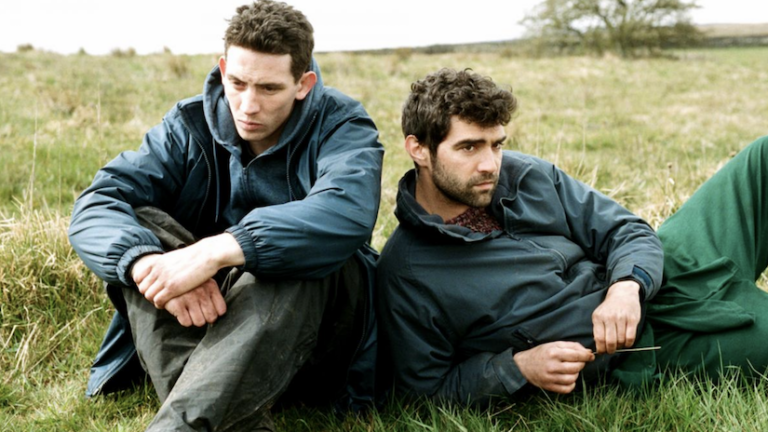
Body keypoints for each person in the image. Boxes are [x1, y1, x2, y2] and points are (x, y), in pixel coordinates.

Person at [69, 1, 383, 430]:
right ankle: (227, 410)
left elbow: (346, 212)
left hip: (314, 335)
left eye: (269, 89)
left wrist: (219, 251)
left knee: (297, 253)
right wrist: (151, 268)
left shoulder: (342, 124)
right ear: (221, 69)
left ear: (303, 83)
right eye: (236, 82)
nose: (248, 105)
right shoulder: (187, 123)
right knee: (139, 230)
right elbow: (97, 201)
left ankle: (185, 421)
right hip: (204, 316)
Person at [377, 67, 768, 406]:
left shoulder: (524, 174)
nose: (489, 164)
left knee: (763, 156)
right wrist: (516, 368)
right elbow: (424, 390)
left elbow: (626, 229)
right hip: (643, 345)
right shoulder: (407, 273)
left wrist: (627, 286)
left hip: (661, 269)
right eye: (468, 147)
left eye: (496, 144)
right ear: (419, 149)